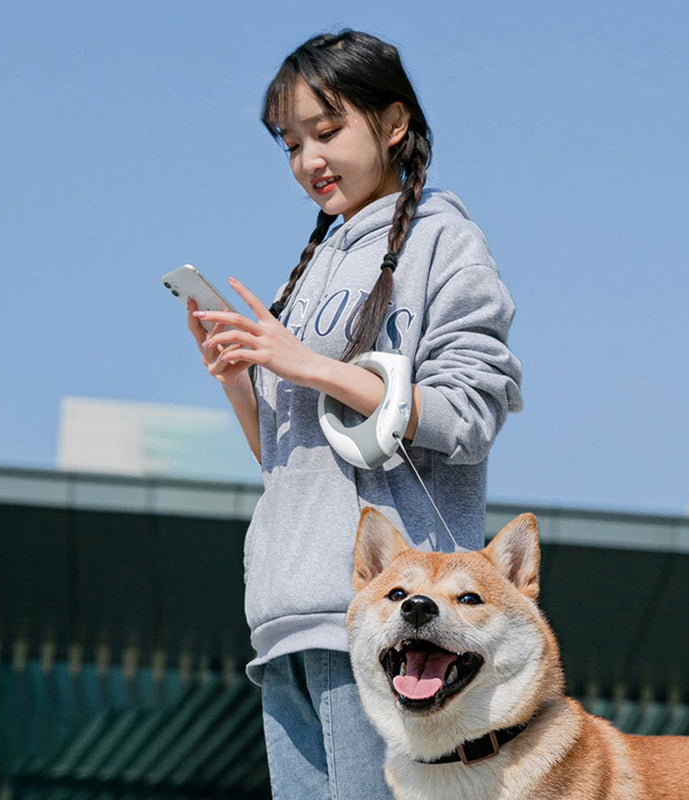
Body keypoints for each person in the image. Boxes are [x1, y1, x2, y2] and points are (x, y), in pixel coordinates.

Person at [185, 29, 523, 800]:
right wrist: (241, 377)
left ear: (394, 122)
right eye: (291, 143)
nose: (309, 160)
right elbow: (286, 460)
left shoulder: (446, 242)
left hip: (396, 627)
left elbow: (470, 415)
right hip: (286, 615)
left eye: (328, 130)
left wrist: (304, 362)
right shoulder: (317, 265)